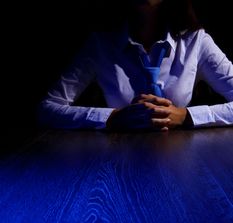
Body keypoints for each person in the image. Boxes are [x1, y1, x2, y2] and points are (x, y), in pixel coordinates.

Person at [37, 0, 233, 131]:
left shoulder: (196, 41)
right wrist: (111, 118)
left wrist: (186, 116)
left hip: (182, 161)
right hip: (117, 162)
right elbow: (47, 108)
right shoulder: (101, 44)